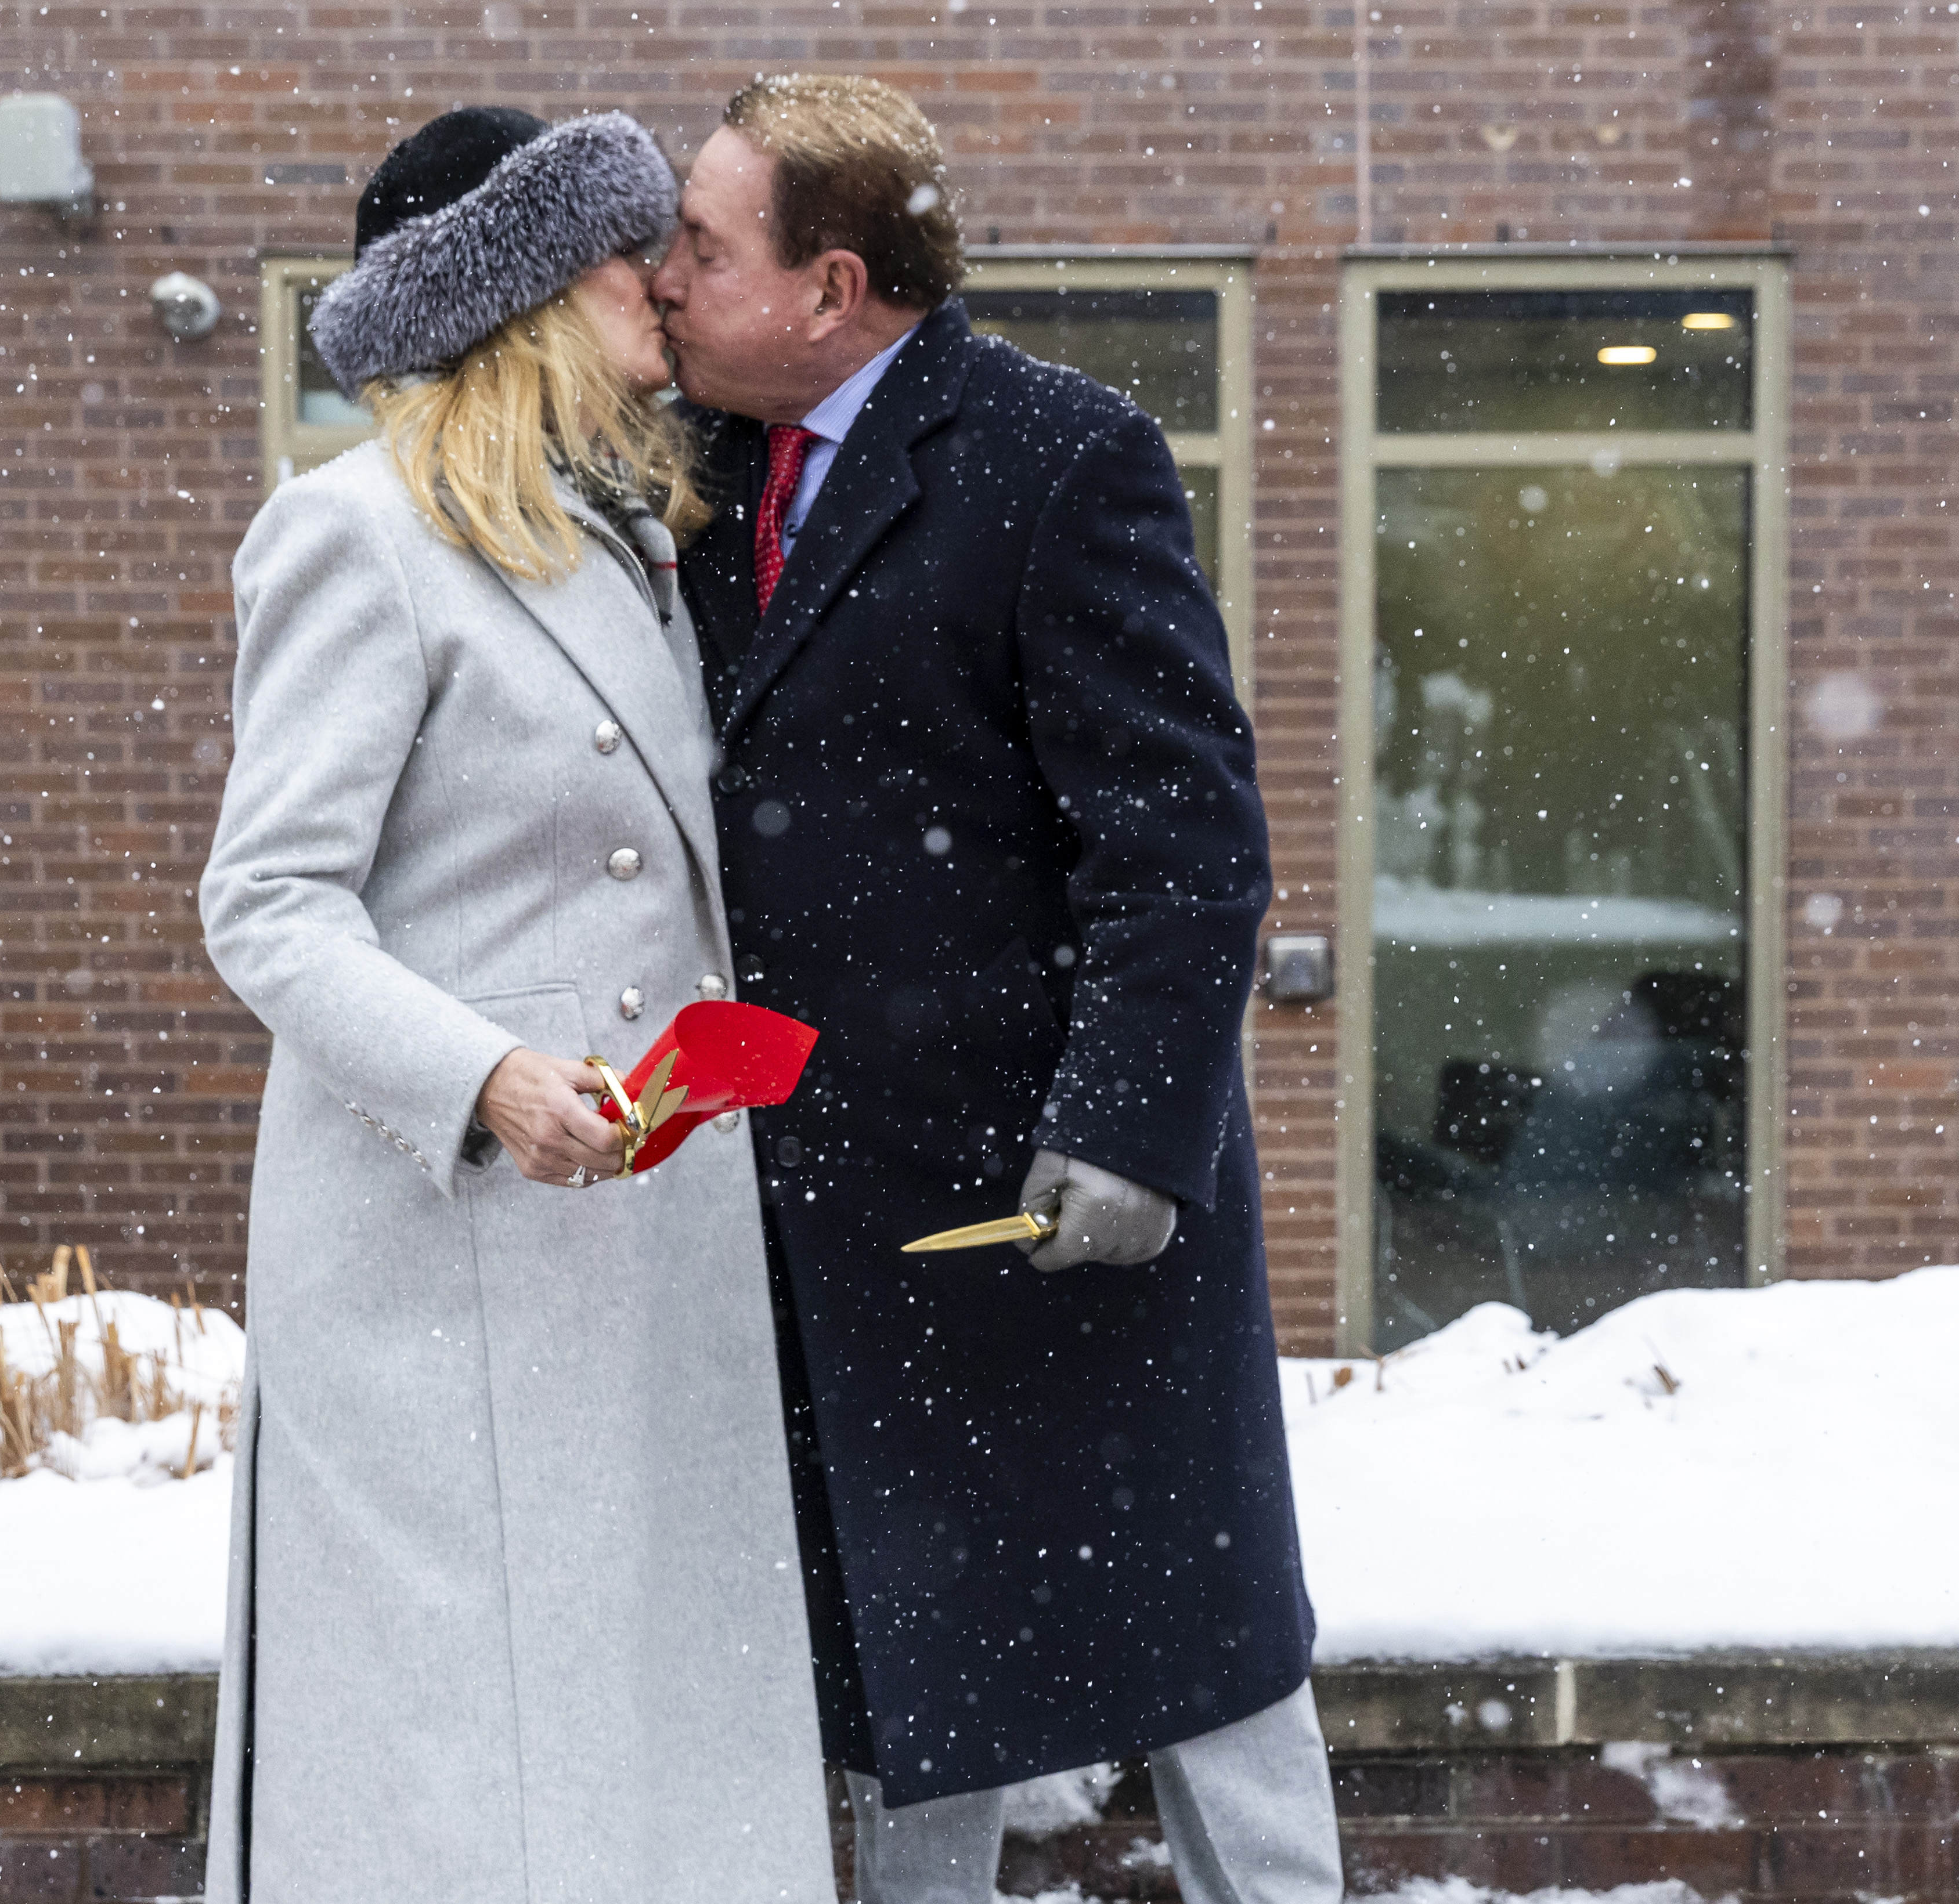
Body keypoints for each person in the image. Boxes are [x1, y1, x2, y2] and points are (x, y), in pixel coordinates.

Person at [651, 74, 1345, 1904]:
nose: (660, 279)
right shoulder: (688, 471)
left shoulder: (1058, 456)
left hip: (1063, 1197)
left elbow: (1182, 840)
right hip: (831, 1186)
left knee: (1203, 1647)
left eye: (700, 245)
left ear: (832, 283)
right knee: (906, 1648)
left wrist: (1125, 1132)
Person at [198, 106, 832, 1904]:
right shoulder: (357, 537)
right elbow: (265, 898)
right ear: (531, 290)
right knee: (464, 1742)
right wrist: (479, 1073)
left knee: (632, 1711)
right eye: (630, 248)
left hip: (632, 1209)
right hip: (454, 1251)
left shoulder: (632, 533)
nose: (666, 278)